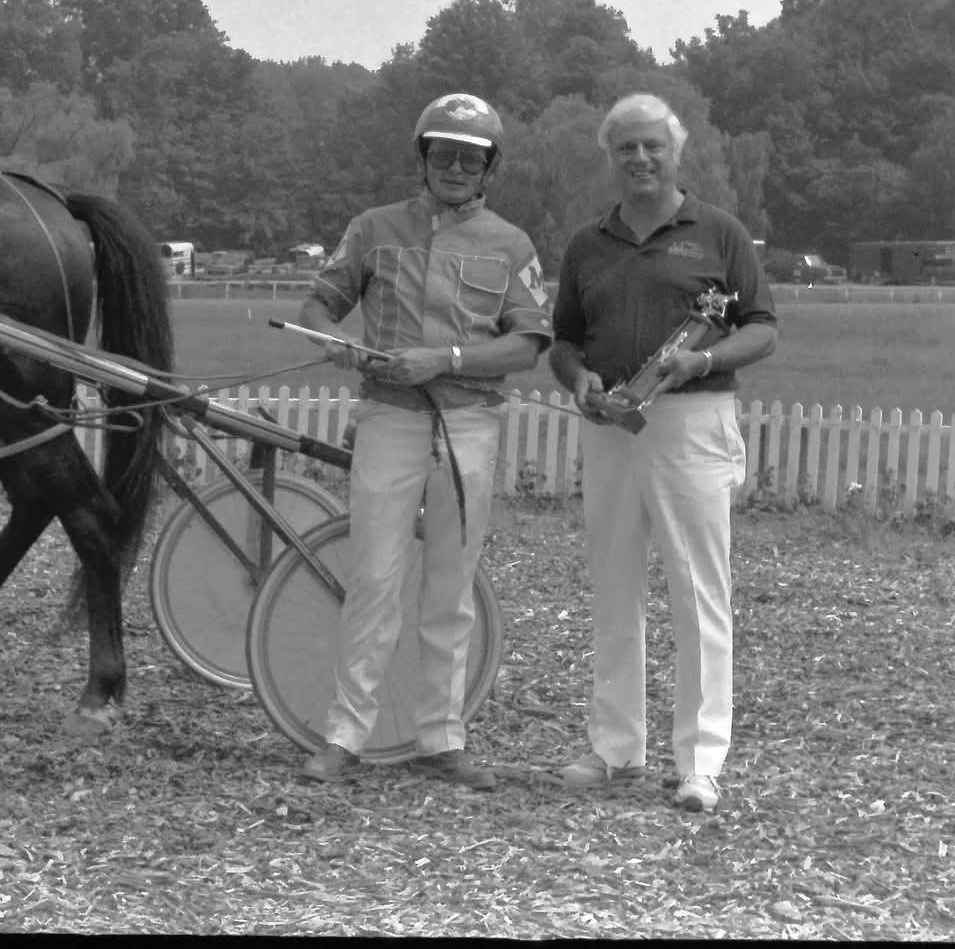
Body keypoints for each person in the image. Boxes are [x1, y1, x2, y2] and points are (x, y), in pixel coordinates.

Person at [293, 93, 552, 788]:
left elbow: (529, 344)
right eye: (445, 154)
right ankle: (345, 734)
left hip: (469, 424)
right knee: (374, 578)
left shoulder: (512, 244)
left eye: (471, 158)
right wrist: (333, 340)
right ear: (423, 157)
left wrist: (447, 360)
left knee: (450, 585)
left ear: (489, 167)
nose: (457, 168)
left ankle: (441, 737)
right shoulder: (373, 229)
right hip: (391, 417)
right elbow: (319, 304)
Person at [546, 92, 778, 814]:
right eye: (627, 148)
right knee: (614, 584)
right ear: (611, 158)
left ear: (676, 152)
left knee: (698, 589)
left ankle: (701, 762)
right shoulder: (588, 244)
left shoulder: (719, 232)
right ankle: (615, 746)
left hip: (692, 422)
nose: (641, 158)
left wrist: (703, 361)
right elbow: (564, 340)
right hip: (612, 423)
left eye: (653, 146)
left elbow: (762, 327)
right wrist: (577, 378)